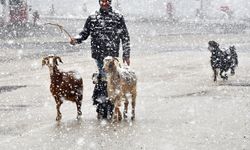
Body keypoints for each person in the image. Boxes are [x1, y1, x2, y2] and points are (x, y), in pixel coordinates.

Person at [70, 0, 131, 119]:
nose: (105, 3)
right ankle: (103, 105)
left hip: (112, 57)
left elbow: (125, 36)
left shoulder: (118, 17)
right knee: (104, 79)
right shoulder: (93, 17)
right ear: (99, 2)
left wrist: (126, 54)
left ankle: (107, 105)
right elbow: (85, 33)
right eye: (102, 1)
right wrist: (76, 40)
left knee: (111, 80)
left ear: (110, 2)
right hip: (99, 56)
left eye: (107, 1)